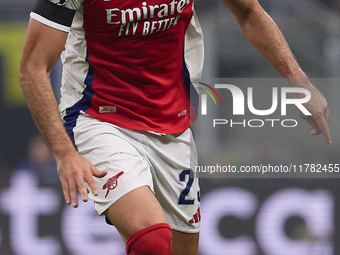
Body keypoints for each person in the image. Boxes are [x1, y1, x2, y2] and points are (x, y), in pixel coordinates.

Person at [19, 0, 331, 254]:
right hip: (99, 118)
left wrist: (297, 82)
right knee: (152, 240)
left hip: (172, 124)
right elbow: (33, 67)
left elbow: (248, 10)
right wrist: (64, 153)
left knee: (180, 248)